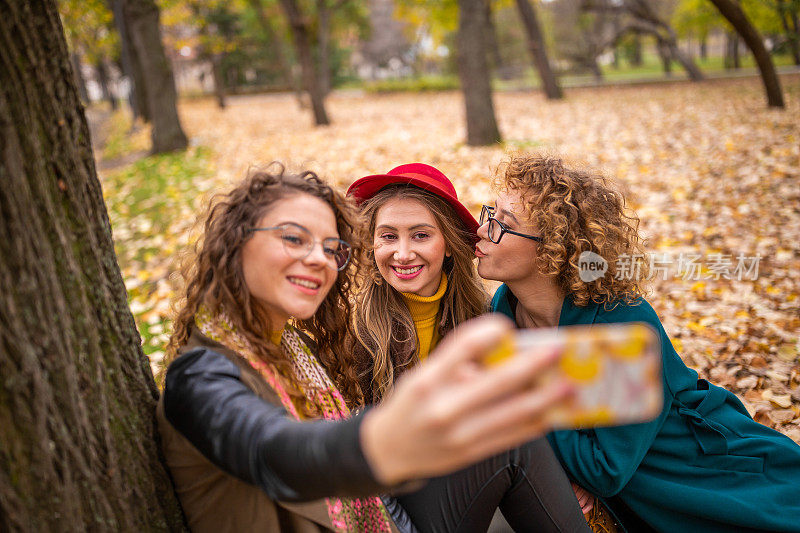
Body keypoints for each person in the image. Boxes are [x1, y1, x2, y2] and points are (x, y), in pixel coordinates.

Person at [156, 165, 573, 533]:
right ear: (237, 244)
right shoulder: (198, 375)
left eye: (329, 247)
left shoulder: (287, 342)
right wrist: (389, 432)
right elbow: (276, 452)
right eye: (294, 239)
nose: (318, 258)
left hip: (380, 510)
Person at [478, 154, 800, 532]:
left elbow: (603, 470)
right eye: (490, 214)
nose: (484, 230)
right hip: (638, 492)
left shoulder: (619, 320)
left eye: (503, 224)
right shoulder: (504, 309)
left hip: (704, 478)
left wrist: (526, 397)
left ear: (554, 250)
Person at [346, 163, 591, 533]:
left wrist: (560, 479)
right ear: (372, 244)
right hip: (386, 505)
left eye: (421, 235)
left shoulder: (484, 318)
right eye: (388, 237)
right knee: (510, 443)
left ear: (448, 244)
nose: (403, 253)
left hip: (464, 487)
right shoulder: (355, 329)